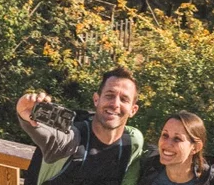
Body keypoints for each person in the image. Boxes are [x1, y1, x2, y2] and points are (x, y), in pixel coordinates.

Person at [16, 67, 146, 185]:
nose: (115, 104)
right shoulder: (72, 137)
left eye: (124, 99)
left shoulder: (131, 142)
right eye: (109, 96)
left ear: (133, 110)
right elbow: (50, 135)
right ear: (96, 99)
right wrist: (26, 116)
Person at [136, 111, 214, 185]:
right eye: (165, 135)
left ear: (195, 147)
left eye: (177, 139)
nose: (167, 143)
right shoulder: (145, 170)